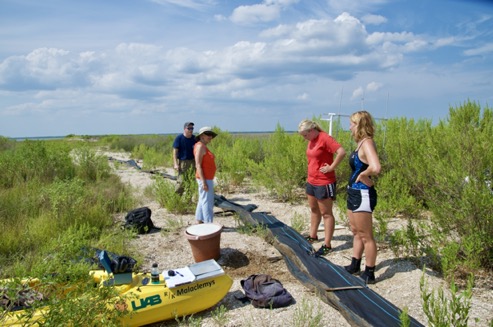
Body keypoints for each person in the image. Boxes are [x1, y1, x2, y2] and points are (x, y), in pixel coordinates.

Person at [298, 119, 346, 256]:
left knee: (326, 213)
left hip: (324, 182)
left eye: (305, 135)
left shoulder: (324, 138)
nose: (304, 138)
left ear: (312, 130)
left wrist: (331, 167)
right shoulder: (311, 140)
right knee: (314, 210)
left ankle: (327, 244)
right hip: (311, 180)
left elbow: (341, 152)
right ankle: (313, 235)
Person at [345, 111, 381, 284]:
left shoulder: (367, 143)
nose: (350, 126)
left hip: (362, 194)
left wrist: (364, 175)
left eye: (352, 123)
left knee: (366, 235)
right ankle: (355, 264)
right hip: (353, 193)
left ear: (360, 124)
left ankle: (369, 272)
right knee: (355, 231)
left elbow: (376, 167)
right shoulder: (360, 143)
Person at [194, 126, 218, 224]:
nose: (210, 137)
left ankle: (199, 220)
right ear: (202, 135)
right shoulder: (199, 146)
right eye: (208, 134)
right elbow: (198, 165)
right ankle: (209, 224)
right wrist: (204, 182)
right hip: (204, 178)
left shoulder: (203, 146)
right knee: (207, 202)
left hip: (207, 178)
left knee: (202, 200)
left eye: (211, 135)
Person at [172, 122, 197, 195]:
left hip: (193, 162)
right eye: (189, 128)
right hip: (183, 162)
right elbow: (175, 152)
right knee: (181, 181)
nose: (191, 130)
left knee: (191, 180)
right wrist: (175, 164)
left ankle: (189, 199)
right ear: (184, 129)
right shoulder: (179, 138)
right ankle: (177, 198)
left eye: (192, 128)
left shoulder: (194, 139)